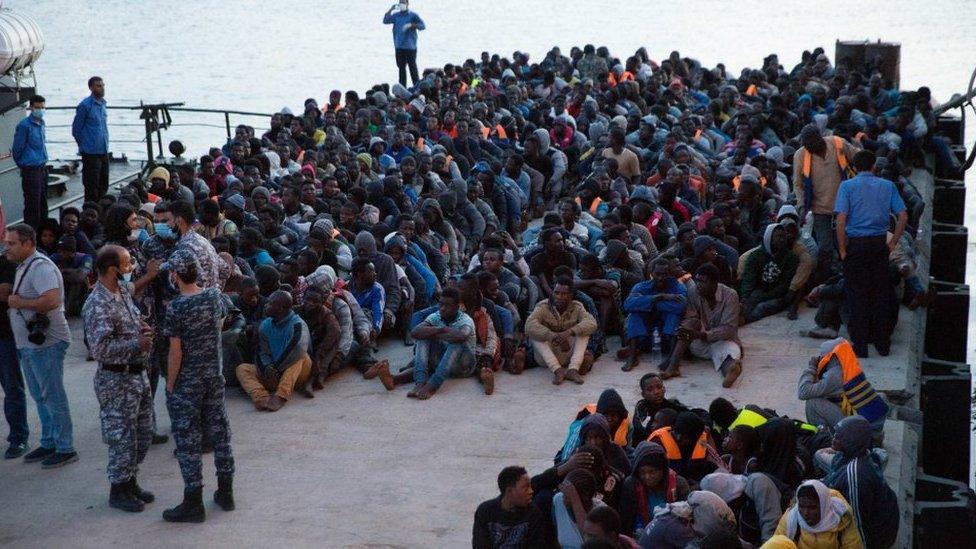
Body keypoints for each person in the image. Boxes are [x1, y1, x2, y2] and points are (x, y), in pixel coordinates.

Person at [161, 249, 235, 522]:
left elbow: (175, 352)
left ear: (177, 275)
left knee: (188, 439)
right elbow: (220, 323)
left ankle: (193, 501)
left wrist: (170, 384)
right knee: (220, 432)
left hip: (188, 382)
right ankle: (226, 492)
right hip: (214, 376)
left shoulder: (176, 308)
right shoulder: (214, 296)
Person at [82, 245, 155, 512]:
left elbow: (129, 324)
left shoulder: (122, 291)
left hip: (137, 376)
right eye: (127, 264)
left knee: (143, 433)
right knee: (121, 438)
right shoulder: (97, 303)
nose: (131, 267)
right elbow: (99, 349)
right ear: (113, 270)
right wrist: (137, 344)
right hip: (116, 380)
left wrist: (142, 329)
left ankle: (130, 480)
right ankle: (119, 489)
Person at [4, 224, 76, 468]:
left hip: (47, 343)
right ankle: (49, 441)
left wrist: (18, 302)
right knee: (40, 395)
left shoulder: (41, 267)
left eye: (12, 243)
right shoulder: (25, 266)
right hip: (30, 346)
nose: (7, 247)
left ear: (28, 243)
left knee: (52, 395)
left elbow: (52, 300)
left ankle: (65, 446)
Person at [834, 151, 907, 357]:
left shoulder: (847, 186)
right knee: (880, 295)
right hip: (878, 245)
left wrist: (842, 249)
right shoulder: (887, 186)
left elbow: (841, 219)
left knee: (857, 296)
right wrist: (892, 242)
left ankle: (861, 346)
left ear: (854, 167)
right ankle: (883, 345)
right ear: (874, 165)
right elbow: (902, 215)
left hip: (856, 245)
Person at [820, 416, 898, 549]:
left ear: (850, 442)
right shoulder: (858, 455)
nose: (833, 438)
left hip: (877, 537)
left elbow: (858, 522)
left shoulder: (856, 476)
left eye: (838, 437)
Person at [662, 264, 742, 386]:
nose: (698, 284)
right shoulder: (694, 292)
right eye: (697, 280)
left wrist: (701, 335)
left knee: (727, 354)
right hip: (700, 343)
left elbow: (729, 330)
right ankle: (673, 366)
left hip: (724, 341)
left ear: (714, 283)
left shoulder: (730, 295)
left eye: (703, 281)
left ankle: (730, 372)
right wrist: (687, 331)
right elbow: (691, 317)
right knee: (690, 323)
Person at [797, 338, 888, 442]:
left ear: (830, 356)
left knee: (812, 403)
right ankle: (873, 436)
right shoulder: (849, 367)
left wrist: (811, 368)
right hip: (869, 424)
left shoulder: (836, 374)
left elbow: (803, 392)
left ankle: (823, 441)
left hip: (859, 429)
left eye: (822, 356)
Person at [235, 290, 313, 412]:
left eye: (270, 304)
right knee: (242, 369)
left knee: (302, 357)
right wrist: (267, 367)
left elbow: (296, 350)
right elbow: (262, 351)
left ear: (281, 308)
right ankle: (261, 397)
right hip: (272, 374)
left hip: (293, 374)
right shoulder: (266, 324)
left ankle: (281, 395)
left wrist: (276, 368)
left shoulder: (298, 325)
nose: (266, 305)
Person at [792, 125, 858, 262]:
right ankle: (828, 274)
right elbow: (798, 184)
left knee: (846, 243)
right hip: (819, 209)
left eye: (810, 144)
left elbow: (858, 157)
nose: (808, 148)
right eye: (805, 145)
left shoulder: (838, 143)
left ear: (820, 139)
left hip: (844, 206)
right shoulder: (800, 155)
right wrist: (801, 206)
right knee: (825, 247)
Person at [407, 287, 478, 400]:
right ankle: (420, 382)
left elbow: (462, 336)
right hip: (443, 363)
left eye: (448, 306)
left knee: (457, 342)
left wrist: (434, 332)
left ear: (457, 307)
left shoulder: (465, 320)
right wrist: (442, 330)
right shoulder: (436, 316)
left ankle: (433, 385)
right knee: (423, 336)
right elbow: (415, 332)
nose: (443, 309)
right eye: (441, 304)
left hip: (464, 366)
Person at [525, 275, 597, 385]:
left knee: (584, 332)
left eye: (564, 294)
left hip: (567, 354)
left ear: (571, 295)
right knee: (534, 333)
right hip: (547, 356)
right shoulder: (543, 306)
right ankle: (557, 370)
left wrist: (569, 332)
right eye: (556, 293)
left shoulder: (577, 307)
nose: (559, 297)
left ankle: (573, 369)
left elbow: (592, 323)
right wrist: (553, 336)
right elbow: (529, 325)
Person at [621, 258, 687, 372]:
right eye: (658, 274)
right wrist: (660, 297)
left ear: (670, 275)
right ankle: (632, 356)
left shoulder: (678, 287)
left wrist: (649, 304)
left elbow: (680, 307)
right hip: (645, 336)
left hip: (667, 337)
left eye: (665, 274)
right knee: (635, 315)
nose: (661, 278)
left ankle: (671, 358)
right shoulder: (641, 286)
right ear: (651, 274)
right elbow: (628, 304)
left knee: (673, 316)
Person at [619, 441, 691, 538]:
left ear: (662, 469)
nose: (647, 477)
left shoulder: (679, 484)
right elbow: (626, 520)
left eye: (652, 472)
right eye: (642, 472)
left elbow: (686, 520)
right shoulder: (631, 485)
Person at [472, 465, 546, 548]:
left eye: (530, 487)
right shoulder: (485, 511)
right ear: (510, 491)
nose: (531, 491)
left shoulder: (534, 514)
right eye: (526, 488)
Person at [774, 480, 863, 548]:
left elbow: (853, 546)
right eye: (801, 506)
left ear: (824, 506)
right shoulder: (790, 520)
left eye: (812, 508)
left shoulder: (842, 519)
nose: (805, 513)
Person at [738, 223, 798, 323]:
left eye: (784, 236)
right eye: (779, 236)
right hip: (760, 290)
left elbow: (784, 285)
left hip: (778, 295)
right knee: (749, 302)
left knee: (762, 307)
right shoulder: (755, 256)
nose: (782, 240)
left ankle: (744, 321)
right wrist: (745, 297)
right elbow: (749, 279)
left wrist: (764, 297)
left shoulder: (790, 257)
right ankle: (736, 319)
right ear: (769, 237)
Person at [0, 252, 28, 459]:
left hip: (4, 336)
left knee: (12, 387)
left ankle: (18, 438)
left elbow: (5, 293)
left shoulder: (6, 263)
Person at [647, 411, 717, 482]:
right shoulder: (657, 444)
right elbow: (651, 476)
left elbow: (715, 461)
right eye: (692, 439)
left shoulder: (699, 438)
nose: (696, 442)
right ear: (679, 437)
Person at [72, 76, 110, 203]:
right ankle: (90, 212)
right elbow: (76, 130)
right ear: (91, 88)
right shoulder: (85, 106)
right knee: (91, 187)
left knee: (104, 183)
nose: (102, 88)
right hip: (90, 152)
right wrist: (84, 146)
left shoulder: (103, 104)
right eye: (99, 86)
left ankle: (101, 212)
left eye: (103, 85)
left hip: (103, 150)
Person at [12, 95, 48, 229]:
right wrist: (24, 165)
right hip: (31, 170)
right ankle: (31, 237)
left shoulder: (41, 123)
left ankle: (44, 236)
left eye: (43, 107)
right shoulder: (24, 126)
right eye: (37, 107)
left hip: (42, 168)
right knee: (33, 207)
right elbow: (17, 149)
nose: (40, 110)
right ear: (31, 107)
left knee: (43, 204)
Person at [630, 373, 688, 445]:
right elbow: (648, 428)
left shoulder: (671, 404)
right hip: (645, 446)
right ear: (643, 394)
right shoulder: (641, 407)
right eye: (650, 389)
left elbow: (690, 414)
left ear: (664, 389)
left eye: (659, 387)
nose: (656, 392)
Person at [382, 0, 425, 87]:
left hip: (410, 47)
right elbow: (385, 21)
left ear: (407, 4)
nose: (402, 4)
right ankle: (402, 87)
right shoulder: (396, 15)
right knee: (401, 68)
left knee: (412, 67)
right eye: (401, 2)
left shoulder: (413, 15)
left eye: (404, 2)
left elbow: (422, 26)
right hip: (399, 46)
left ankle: (416, 86)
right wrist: (391, 9)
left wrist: (411, 25)